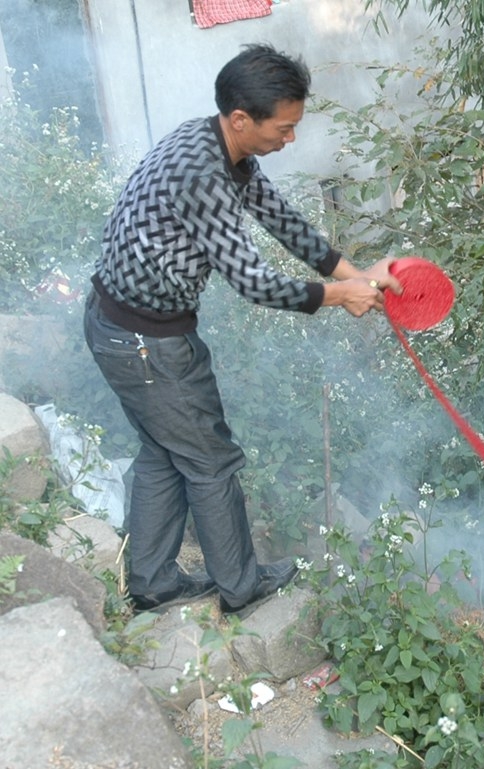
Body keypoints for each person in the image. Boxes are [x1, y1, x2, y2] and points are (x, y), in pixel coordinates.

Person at [83, 43, 402, 619]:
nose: (291, 139)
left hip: (124, 327)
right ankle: (241, 585)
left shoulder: (219, 147)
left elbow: (280, 219)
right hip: (144, 342)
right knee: (210, 461)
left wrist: (358, 277)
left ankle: (152, 583)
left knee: (163, 451)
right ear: (240, 119)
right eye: (284, 127)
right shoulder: (201, 171)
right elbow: (253, 283)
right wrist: (337, 297)